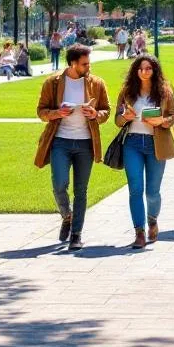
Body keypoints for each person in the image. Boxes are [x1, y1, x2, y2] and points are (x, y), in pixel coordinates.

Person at [34, 44, 109, 249]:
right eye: (85, 64)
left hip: (86, 142)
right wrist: (57, 113)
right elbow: (41, 111)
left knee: (81, 190)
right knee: (59, 184)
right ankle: (67, 215)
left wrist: (95, 114)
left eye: (89, 63)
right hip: (60, 140)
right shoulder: (53, 83)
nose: (89, 67)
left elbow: (106, 110)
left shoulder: (97, 83)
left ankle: (76, 234)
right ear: (73, 63)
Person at [114, 54, 174, 248]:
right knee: (135, 189)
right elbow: (117, 120)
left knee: (152, 192)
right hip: (132, 143)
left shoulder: (165, 91)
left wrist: (162, 121)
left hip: (155, 143)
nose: (144, 72)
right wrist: (125, 117)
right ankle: (139, 232)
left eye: (148, 68)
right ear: (135, 71)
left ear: (154, 70)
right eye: (140, 68)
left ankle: (152, 220)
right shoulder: (127, 91)